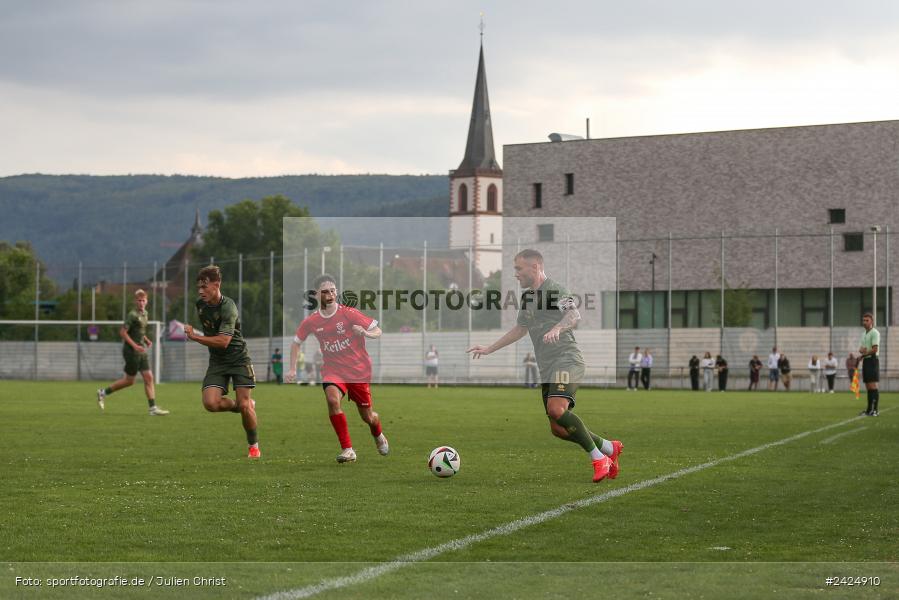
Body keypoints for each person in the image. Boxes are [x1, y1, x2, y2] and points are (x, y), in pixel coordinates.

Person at [467, 249, 622, 483]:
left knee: (556, 410)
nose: (516, 274)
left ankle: (599, 459)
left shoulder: (555, 290)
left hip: (566, 358)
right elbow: (520, 329)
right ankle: (609, 447)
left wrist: (558, 328)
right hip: (547, 368)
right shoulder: (528, 298)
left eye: (519, 269)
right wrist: (489, 348)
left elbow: (574, 315)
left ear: (535, 267)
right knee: (557, 428)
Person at [287, 273, 389, 463]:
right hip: (333, 371)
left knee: (368, 417)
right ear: (316, 295)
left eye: (333, 291)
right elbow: (296, 342)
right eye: (325, 292)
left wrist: (366, 332)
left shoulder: (348, 313)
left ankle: (378, 434)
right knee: (333, 401)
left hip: (358, 372)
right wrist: (292, 369)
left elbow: (378, 330)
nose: (330, 295)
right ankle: (348, 449)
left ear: (337, 292)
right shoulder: (312, 321)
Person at [183, 265, 260, 458]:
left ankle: (254, 447)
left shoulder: (228, 307)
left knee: (244, 406)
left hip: (238, 358)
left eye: (205, 287)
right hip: (217, 361)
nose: (201, 291)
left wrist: (195, 337)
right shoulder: (200, 306)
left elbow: (223, 341)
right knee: (210, 403)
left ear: (217, 285)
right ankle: (245, 405)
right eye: (198, 287)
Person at [96, 289, 169, 416]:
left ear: (147, 301)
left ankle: (153, 408)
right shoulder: (132, 315)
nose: (141, 303)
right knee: (129, 381)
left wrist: (146, 340)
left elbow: (140, 331)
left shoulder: (145, 314)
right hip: (131, 351)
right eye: (139, 300)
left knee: (149, 378)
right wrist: (135, 345)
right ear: (136, 301)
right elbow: (123, 332)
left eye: (143, 300)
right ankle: (103, 392)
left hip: (141, 350)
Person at [858, 312, 880, 416]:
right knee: (867, 386)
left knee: (872, 385)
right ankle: (868, 410)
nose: (865, 322)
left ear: (871, 321)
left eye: (867, 320)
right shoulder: (863, 334)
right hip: (866, 360)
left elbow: (875, 349)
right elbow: (861, 349)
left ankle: (875, 410)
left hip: (872, 360)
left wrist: (865, 352)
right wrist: (861, 354)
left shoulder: (875, 333)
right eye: (863, 320)